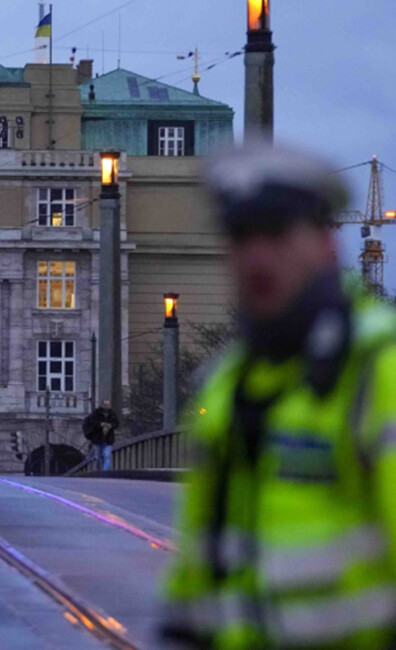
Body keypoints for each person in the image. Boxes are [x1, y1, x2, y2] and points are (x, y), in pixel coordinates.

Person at [160, 144, 396, 649]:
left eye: (278, 233)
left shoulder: (379, 370)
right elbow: (202, 564)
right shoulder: (227, 382)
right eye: (242, 236)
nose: (258, 256)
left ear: (326, 243)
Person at [84, 400, 120, 470]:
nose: (107, 406)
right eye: (105, 405)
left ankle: (105, 472)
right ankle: (98, 471)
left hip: (108, 439)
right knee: (97, 457)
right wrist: (100, 424)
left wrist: (111, 425)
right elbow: (92, 422)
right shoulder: (95, 414)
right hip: (97, 439)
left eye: (108, 405)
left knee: (107, 456)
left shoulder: (112, 414)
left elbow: (116, 423)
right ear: (102, 405)